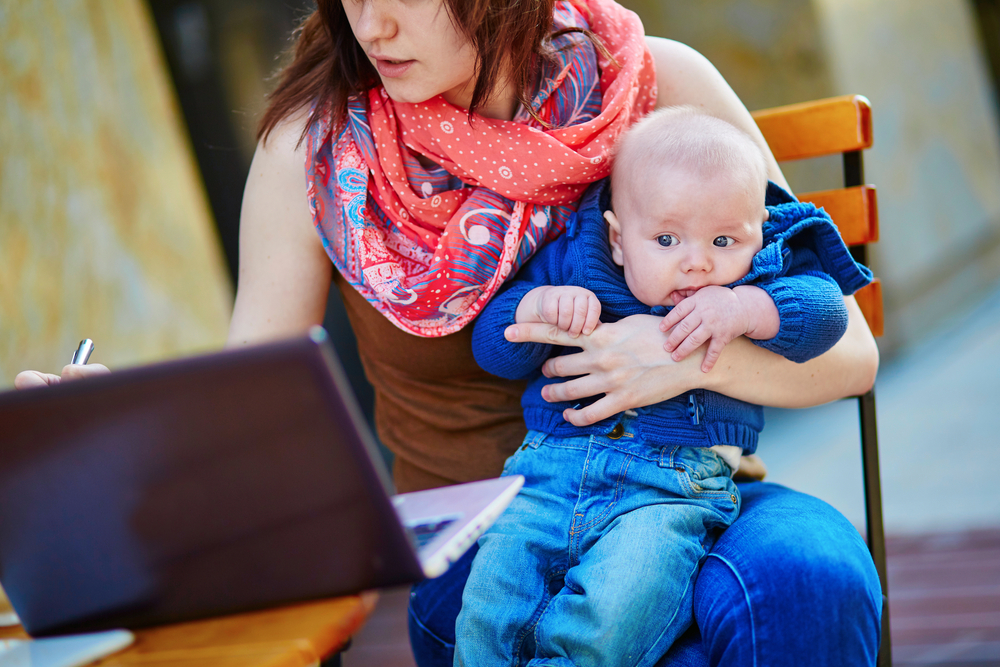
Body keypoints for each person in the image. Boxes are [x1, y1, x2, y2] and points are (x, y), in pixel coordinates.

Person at [16, 0, 884, 664]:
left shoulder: (655, 84)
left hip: (691, 491)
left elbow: (850, 349)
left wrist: (679, 354)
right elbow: (252, 415)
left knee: (813, 579)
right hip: (485, 536)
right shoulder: (317, 150)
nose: (373, 25)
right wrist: (121, 436)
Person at [455, 107, 873, 666]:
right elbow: (492, 347)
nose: (697, 264)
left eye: (724, 240)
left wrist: (746, 306)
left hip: (669, 492)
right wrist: (536, 307)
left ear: (758, 233)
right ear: (621, 241)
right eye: (667, 239)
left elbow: (826, 315)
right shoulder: (575, 261)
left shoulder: (754, 276)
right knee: (491, 598)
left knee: (624, 598)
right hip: (545, 478)